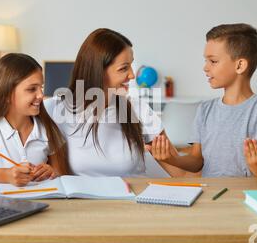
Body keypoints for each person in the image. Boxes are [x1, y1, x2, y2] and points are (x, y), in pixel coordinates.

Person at [148, 23, 257, 178]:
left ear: (240, 65)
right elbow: (197, 161)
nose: (205, 67)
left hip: (245, 196)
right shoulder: (205, 109)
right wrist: (172, 159)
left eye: (213, 61)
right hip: (209, 195)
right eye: (206, 61)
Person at [44, 28, 167, 177]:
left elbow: (180, 171)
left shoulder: (138, 108)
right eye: (123, 68)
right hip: (82, 199)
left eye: (131, 66)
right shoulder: (54, 109)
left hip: (132, 197)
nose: (132, 75)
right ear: (98, 71)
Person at [0, 53, 69, 186]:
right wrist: (5, 175)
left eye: (41, 88)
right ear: (7, 94)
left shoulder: (48, 130)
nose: (41, 95)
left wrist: (51, 172)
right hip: (1, 204)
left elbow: (62, 173)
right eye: (32, 89)